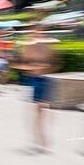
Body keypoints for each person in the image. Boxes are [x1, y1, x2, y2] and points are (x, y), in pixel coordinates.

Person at [13, 25, 59, 153]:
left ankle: (42, 136)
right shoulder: (27, 47)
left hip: (46, 78)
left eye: (40, 31)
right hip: (33, 80)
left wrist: (46, 68)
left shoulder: (48, 47)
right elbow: (18, 64)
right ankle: (39, 137)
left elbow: (56, 63)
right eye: (35, 32)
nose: (38, 34)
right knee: (38, 109)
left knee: (45, 109)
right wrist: (32, 68)